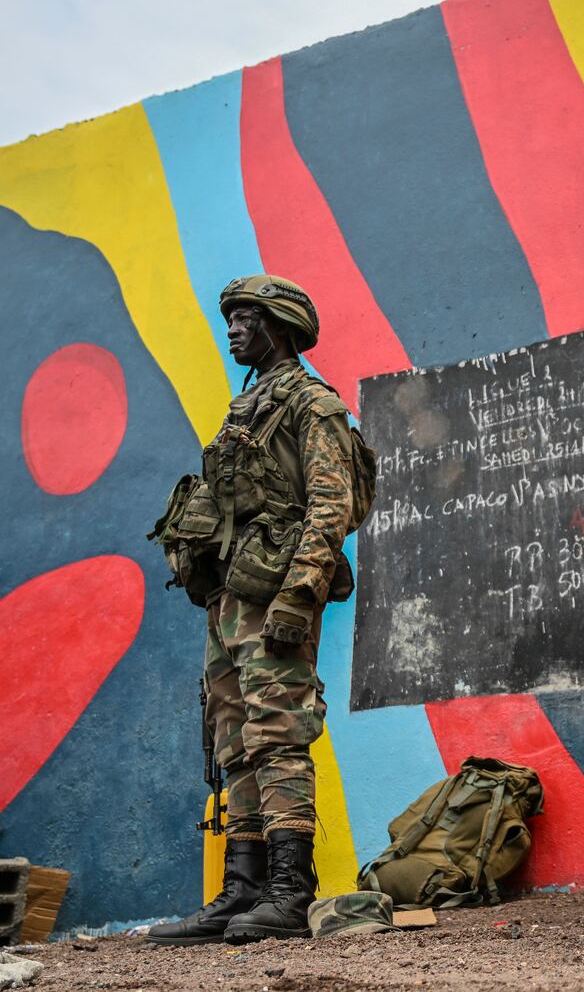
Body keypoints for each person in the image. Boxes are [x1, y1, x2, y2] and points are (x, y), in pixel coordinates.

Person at [147, 275, 356, 945]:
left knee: (277, 733)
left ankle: (291, 893)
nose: (233, 329)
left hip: (277, 592)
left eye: (246, 318)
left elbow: (331, 506)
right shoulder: (248, 404)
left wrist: (300, 593)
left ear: (279, 325)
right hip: (232, 596)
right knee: (234, 738)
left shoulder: (311, 403)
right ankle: (243, 890)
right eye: (231, 318)